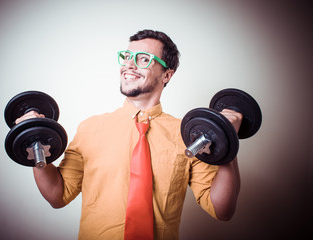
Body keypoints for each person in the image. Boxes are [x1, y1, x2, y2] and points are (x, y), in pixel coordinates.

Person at [16, 29, 242, 239]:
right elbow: (58, 195)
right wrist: (33, 137)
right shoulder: (90, 128)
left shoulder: (188, 134)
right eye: (126, 57)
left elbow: (221, 209)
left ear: (167, 75)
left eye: (143, 59)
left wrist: (227, 141)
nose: (129, 65)